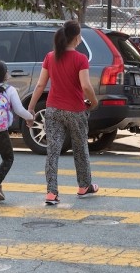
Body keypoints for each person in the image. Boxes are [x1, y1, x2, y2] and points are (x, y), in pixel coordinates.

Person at [27, 20, 99, 205]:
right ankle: (84, 186)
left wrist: (31, 107)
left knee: (53, 151)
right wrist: (94, 101)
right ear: (76, 38)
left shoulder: (50, 57)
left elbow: (40, 85)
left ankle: (51, 193)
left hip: (52, 110)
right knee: (80, 148)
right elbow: (85, 85)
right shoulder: (81, 58)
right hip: (75, 110)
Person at [0, 59, 33, 203]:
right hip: (0, 130)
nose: (8, 72)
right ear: (3, 74)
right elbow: (19, 110)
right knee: (8, 158)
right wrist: (30, 117)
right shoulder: (9, 90)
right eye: (6, 70)